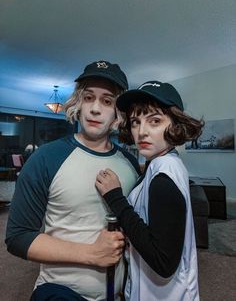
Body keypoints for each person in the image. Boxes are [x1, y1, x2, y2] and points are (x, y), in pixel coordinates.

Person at [5, 60, 140, 301]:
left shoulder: (130, 164)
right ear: (78, 102)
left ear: (118, 112)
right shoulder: (45, 159)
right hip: (60, 292)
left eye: (107, 101)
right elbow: (18, 236)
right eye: (88, 98)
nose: (95, 109)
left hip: (119, 293)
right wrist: (91, 253)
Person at [95, 81, 204, 301]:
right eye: (135, 122)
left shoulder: (163, 175)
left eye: (154, 121)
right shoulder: (165, 161)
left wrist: (115, 197)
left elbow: (163, 262)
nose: (142, 132)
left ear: (175, 124)